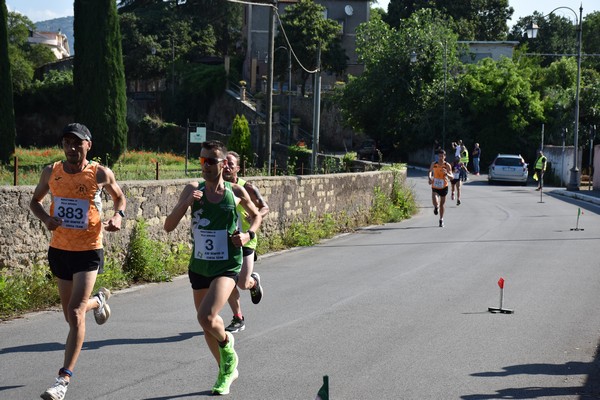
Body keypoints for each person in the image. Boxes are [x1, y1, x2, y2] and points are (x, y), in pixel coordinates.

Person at [30, 123, 126, 400]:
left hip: (88, 249)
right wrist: (46, 219)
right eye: (67, 143)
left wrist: (118, 217)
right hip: (59, 249)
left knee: (74, 313)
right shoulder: (51, 171)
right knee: (72, 315)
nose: (72, 148)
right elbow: (35, 201)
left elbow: (119, 198)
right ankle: (99, 301)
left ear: (89, 145)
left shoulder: (99, 173)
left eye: (78, 143)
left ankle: (62, 380)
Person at [164, 140, 262, 395]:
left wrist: (248, 236)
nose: (205, 166)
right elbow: (168, 225)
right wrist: (186, 203)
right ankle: (226, 370)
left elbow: (257, 215)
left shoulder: (235, 192)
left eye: (210, 161)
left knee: (206, 316)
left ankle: (227, 344)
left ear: (222, 164)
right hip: (200, 265)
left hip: (227, 264)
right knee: (207, 324)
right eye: (202, 161)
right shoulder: (191, 189)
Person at [222, 151, 269, 333]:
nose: (226, 166)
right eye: (224, 163)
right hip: (226, 242)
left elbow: (264, 207)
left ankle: (253, 283)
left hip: (247, 240)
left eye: (230, 164)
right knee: (228, 281)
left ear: (238, 169)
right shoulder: (217, 187)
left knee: (242, 283)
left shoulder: (246, 187)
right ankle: (238, 317)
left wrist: (255, 216)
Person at [428, 149, 453, 227]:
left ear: (445, 157)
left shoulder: (447, 165)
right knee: (435, 201)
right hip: (435, 185)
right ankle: (436, 207)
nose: (441, 158)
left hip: (444, 186)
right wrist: (429, 178)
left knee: (442, 204)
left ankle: (441, 219)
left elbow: (452, 177)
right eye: (439, 156)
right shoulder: (434, 164)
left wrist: (447, 174)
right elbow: (429, 171)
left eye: (442, 156)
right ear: (438, 156)